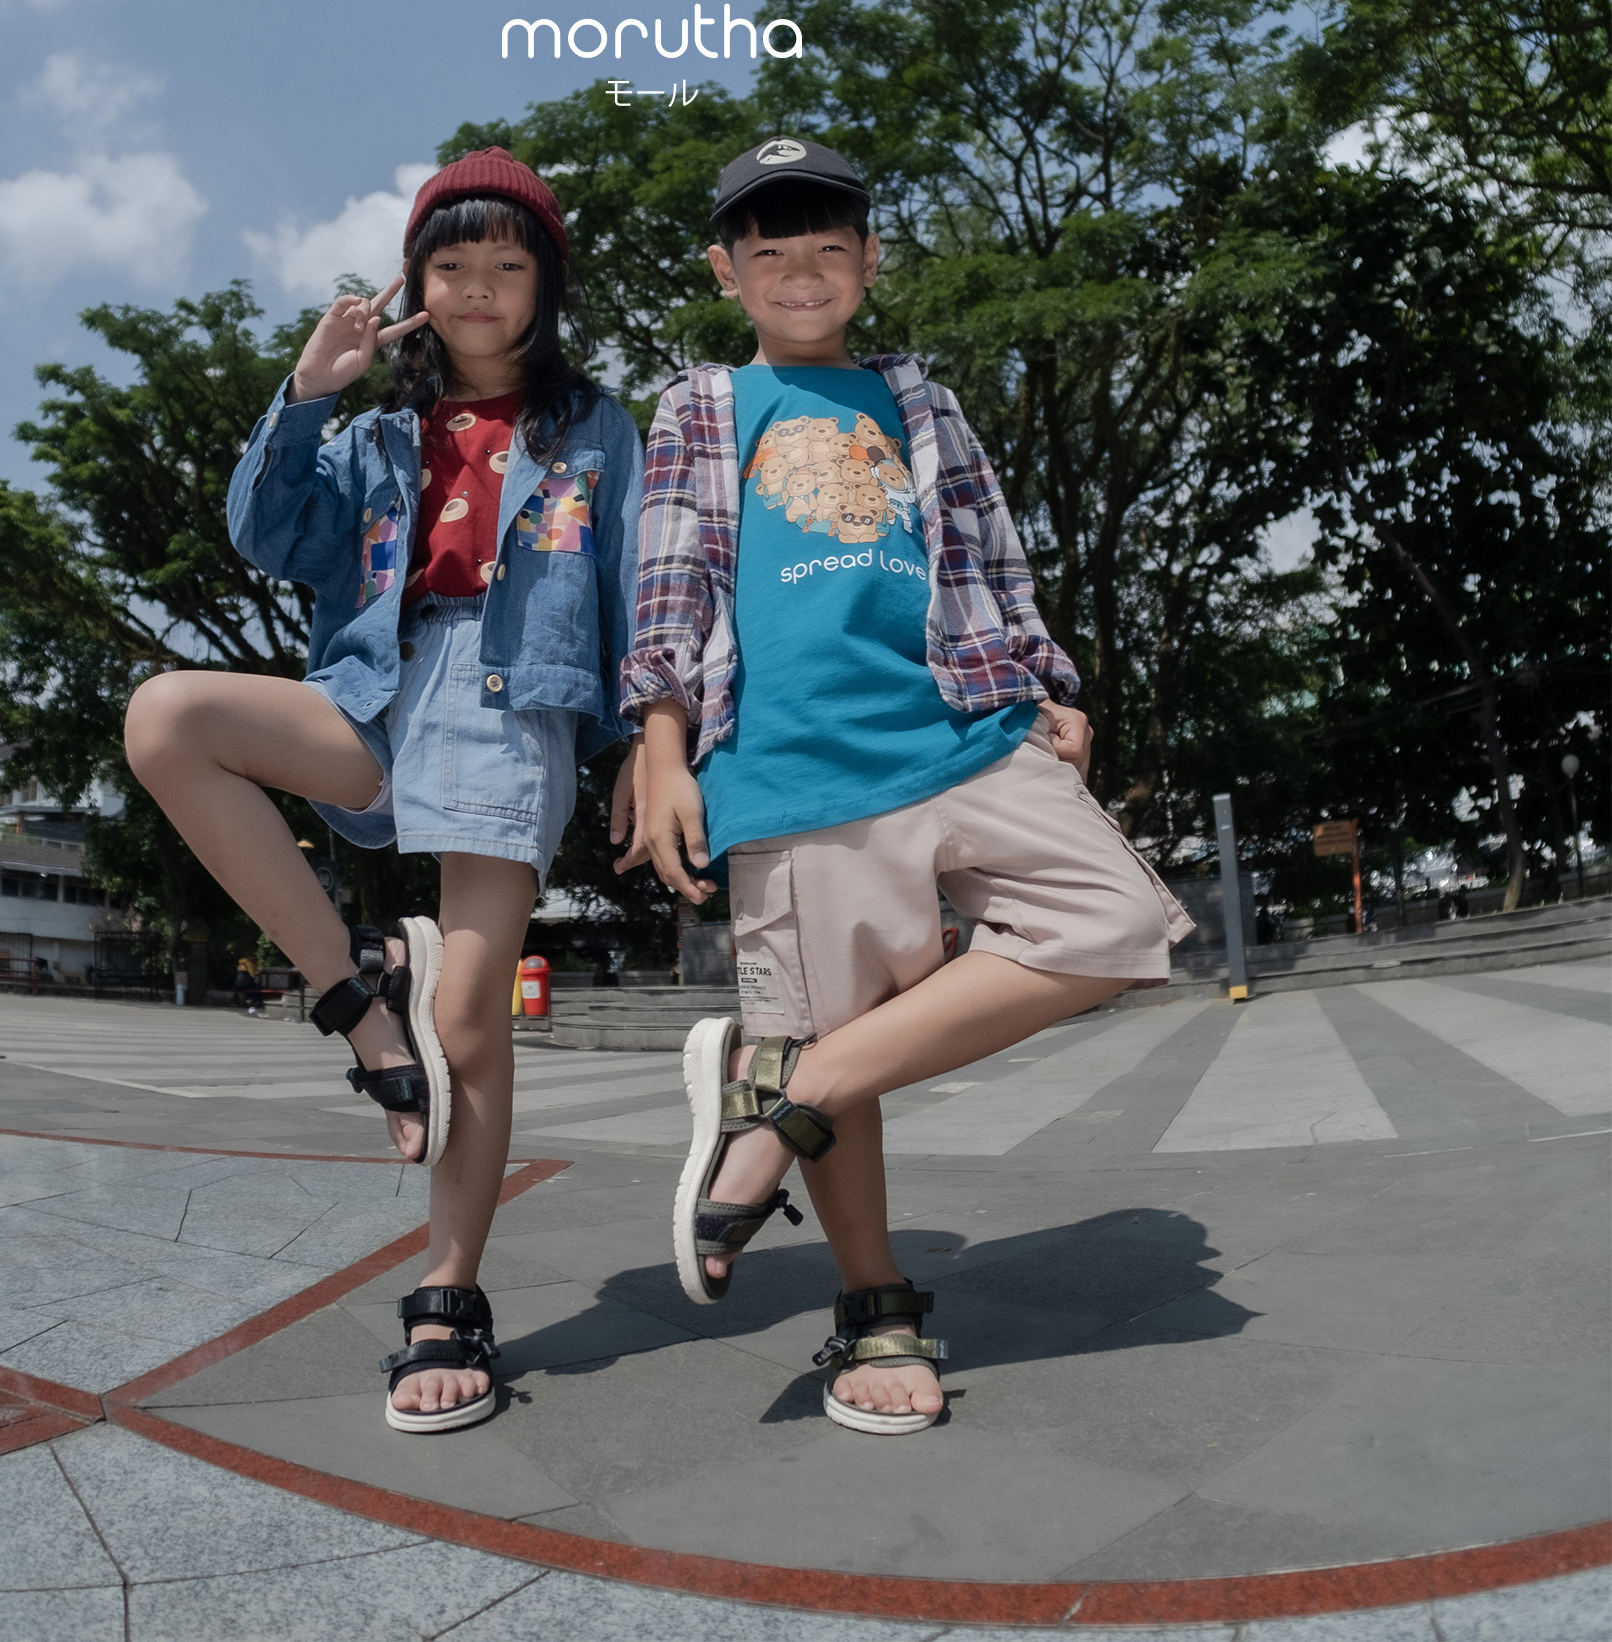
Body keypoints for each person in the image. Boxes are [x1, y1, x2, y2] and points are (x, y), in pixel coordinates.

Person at [613, 137, 1191, 1436]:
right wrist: (658, 743)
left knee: (1114, 918)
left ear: (871, 262)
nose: (801, 273)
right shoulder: (702, 403)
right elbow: (670, 574)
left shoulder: (918, 400)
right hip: (792, 756)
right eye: (770, 251)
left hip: (963, 724)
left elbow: (995, 552)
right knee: (841, 1024)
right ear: (724, 270)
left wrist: (1050, 679)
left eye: (829, 249)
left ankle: (780, 1098)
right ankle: (874, 1303)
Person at [126, 148, 642, 1433]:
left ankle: (448, 1292)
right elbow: (267, 533)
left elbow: (638, 590)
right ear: (415, 283)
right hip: (375, 692)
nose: (478, 288)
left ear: (546, 283)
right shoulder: (370, 437)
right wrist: (309, 391)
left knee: (469, 1023)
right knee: (168, 717)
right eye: (450, 265)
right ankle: (356, 997)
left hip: (513, 701)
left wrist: (649, 744)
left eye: (507, 265)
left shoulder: (594, 428)